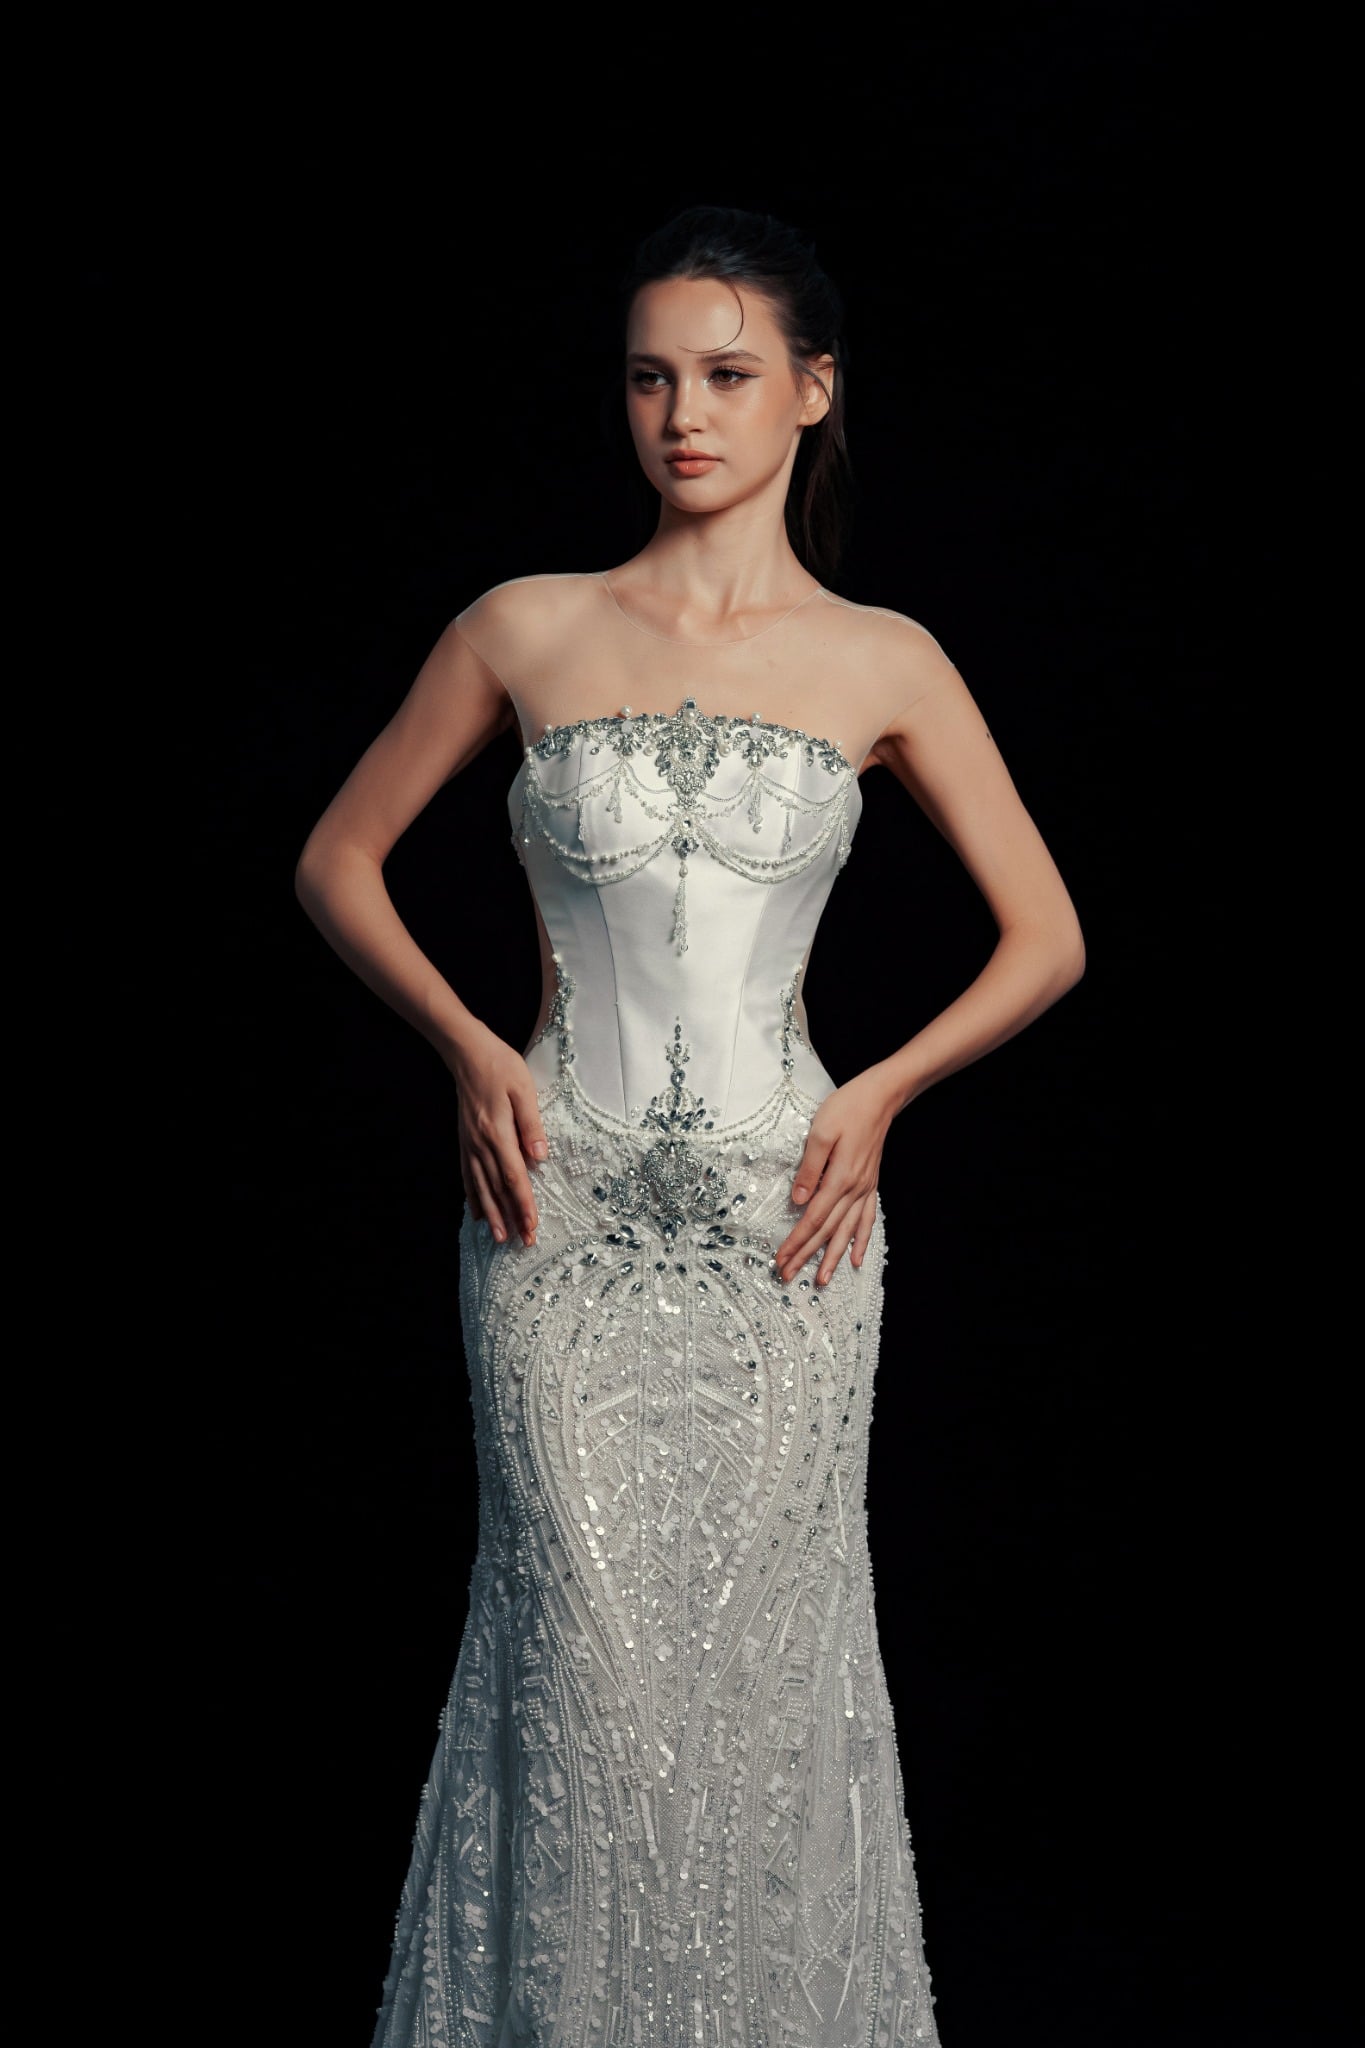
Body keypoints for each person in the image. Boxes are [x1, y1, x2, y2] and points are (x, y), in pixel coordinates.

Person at [296, 205, 1084, 2048]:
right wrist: (466, 1046)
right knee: (573, 1667)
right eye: (652, 378)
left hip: (786, 1227)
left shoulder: (884, 659)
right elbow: (336, 860)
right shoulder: (526, 625)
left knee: (763, 1668)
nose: (683, 415)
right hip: (554, 1222)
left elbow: (1048, 936)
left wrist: (880, 1091)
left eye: (726, 375)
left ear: (811, 393)